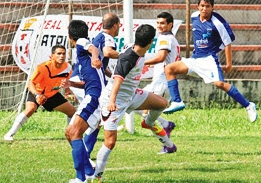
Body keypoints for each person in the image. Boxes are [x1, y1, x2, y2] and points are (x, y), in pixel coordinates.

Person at [92, 24, 177, 182]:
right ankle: (97, 176)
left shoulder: (135, 49)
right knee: (110, 142)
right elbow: (118, 79)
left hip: (131, 95)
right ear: (151, 42)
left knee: (162, 103)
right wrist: (111, 102)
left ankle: (149, 122)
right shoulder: (129, 57)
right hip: (115, 100)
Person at [164, 0, 258, 122]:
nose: (204, 9)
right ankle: (177, 102)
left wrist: (229, 65)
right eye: (202, 6)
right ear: (197, 6)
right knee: (169, 69)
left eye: (207, 6)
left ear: (212, 7)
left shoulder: (217, 23)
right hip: (195, 59)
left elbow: (228, 42)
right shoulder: (194, 17)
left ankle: (248, 105)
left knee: (220, 84)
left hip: (209, 60)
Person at [66, 13, 120, 166]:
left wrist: (110, 74)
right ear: (115, 25)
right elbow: (106, 53)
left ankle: (85, 155)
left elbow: (99, 63)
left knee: (96, 118)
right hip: (86, 81)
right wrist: (127, 56)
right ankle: (86, 155)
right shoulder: (106, 38)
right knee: (97, 116)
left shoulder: (95, 38)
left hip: (83, 80)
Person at [3, 45, 76, 142]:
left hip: (52, 94)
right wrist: (37, 95)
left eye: (63, 53)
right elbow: (30, 83)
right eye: (58, 53)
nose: (62, 56)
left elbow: (66, 83)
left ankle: (70, 135)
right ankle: (9, 134)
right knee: (30, 109)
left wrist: (68, 92)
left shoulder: (67, 67)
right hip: (37, 92)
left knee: (72, 111)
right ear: (52, 56)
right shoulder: (43, 67)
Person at [65, 19, 105, 183]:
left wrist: (95, 57)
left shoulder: (82, 43)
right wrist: (71, 84)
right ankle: (88, 171)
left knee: (74, 133)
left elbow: (93, 48)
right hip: (94, 94)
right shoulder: (82, 58)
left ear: (70, 36)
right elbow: (89, 81)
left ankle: (80, 179)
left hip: (94, 97)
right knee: (70, 133)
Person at [140, 12, 184, 145]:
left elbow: (161, 57)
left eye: (163, 23)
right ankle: (166, 130)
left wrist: (141, 62)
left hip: (161, 83)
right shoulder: (172, 39)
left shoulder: (164, 39)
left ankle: (167, 135)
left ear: (170, 25)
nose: (159, 26)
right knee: (140, 110)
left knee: (140, 112)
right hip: (162, 83)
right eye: (158, 23)